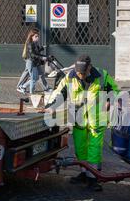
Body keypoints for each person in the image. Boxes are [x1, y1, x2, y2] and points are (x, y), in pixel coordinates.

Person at [45, 55, 120, 192]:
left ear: (89, 68)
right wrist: (51, 106)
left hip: (97, 120)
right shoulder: (70, 77)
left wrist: (111, 100)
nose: (80, 76)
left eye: (83, 73)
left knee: (94, 148)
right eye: (78, 73)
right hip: (78, 120)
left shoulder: (102, 76)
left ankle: (93, 178)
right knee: (80, 148)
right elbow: (60, 93)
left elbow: (115, 90)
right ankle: (84, 174)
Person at [17, 28, 51, 94]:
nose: (37, 38)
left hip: (35, 61)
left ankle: (45, 88)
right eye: (36, 36)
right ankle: (26, 89)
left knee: (39, 75)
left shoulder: (35, 43)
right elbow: (32, 54)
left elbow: (36, 51)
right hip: (31, 61)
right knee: (34, 78)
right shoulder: (30, 43)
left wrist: (42, 48)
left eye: (38, 36)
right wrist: (42, 58)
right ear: (31, 36)